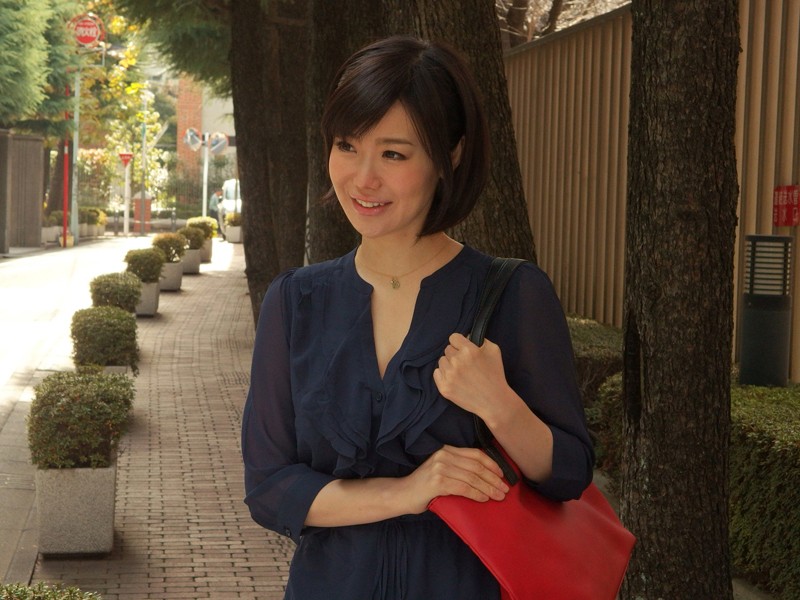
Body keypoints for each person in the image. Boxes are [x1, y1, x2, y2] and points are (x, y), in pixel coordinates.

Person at [241, 35, 593, 599]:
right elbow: (270, 487)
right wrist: (409, 492)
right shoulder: (295, 301)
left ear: (450, 155)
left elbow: (570, 472)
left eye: (394, 154)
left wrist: (500, 405)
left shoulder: (512, 293)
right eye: (347, 146)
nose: (363, 178)